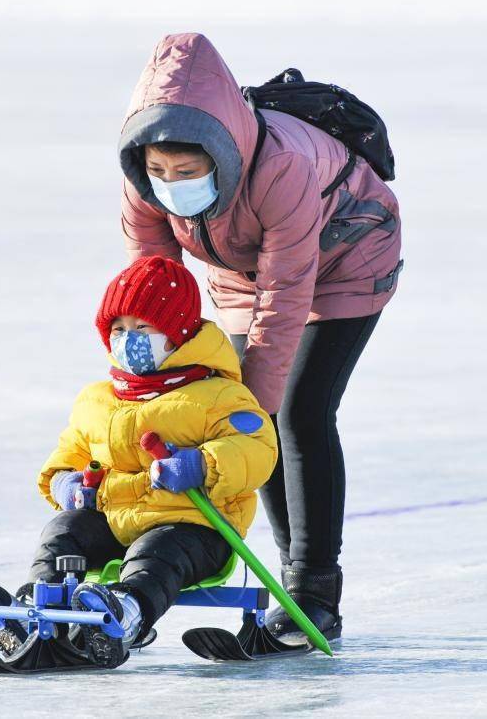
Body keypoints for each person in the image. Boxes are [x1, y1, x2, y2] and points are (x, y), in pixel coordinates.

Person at [116, 32, 404, 644]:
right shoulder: (143, 182)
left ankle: (314, 593)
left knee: (294, 412)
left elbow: (288, 292)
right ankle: (274, 580)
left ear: (221, 154)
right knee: (244, 415)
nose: (170, 183)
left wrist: (246, 411)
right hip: (244, 271)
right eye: (159, 170)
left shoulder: (282, 168)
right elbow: (155, 285)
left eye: (187, 172)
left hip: (347, 253)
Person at [0, 255, 277, 668]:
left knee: (158, 551)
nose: (128, 339)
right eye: (119, 329)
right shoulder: (99, 398)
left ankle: (124, 615)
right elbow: (68, 455)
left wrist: (203, 464)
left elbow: (258, 447)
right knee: (65, 530)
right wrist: (65, 483)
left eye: (143, 328)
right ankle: (37, 610)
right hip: (115, 522)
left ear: (177, 334)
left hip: (194, 527)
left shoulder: (217, 394)